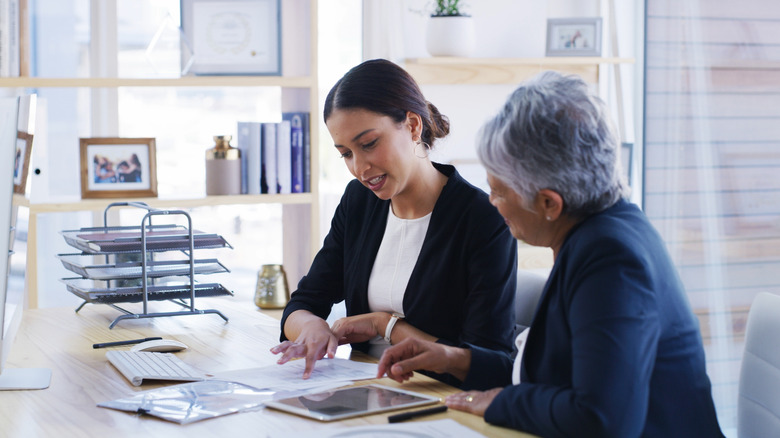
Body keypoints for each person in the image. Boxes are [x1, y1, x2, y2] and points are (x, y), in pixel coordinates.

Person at [377, 71, 724, 437]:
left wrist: (501, 404)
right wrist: (456, 359)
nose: (492, 203)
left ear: (548, 203)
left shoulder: (612, 261)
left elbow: (602, 420)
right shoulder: (604, 230)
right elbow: (555, 380)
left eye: (498, 192)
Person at [271, 59, 518, 385]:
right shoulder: (358, 201)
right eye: (345, 153)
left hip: (439, 398)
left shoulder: (483, 219)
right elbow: (303, 303)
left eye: (369, 144)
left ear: (413, 126)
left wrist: (384, 326)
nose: (360, 167)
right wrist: (312, 327)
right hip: (364, 389)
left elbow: (489, 362)